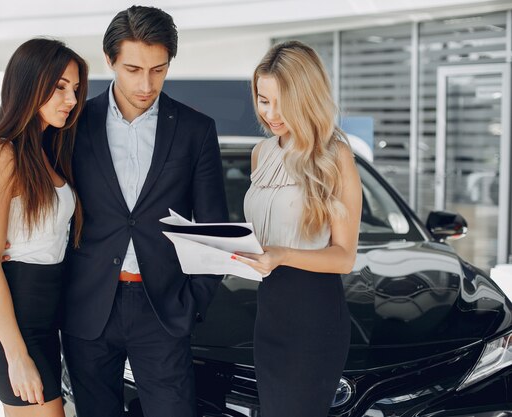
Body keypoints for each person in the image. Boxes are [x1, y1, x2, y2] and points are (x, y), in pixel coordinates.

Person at [60, 6, 229, 417]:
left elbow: (214, 228)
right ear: (109, 60)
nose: (146, 83)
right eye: (133, 69)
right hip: (88, 306)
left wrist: (194, 302)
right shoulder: (74, 123)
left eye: (158, 69)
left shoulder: (196, 129)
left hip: (164, 308)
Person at [235, 41, 361, 417]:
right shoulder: (261, 152)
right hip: (269, 313)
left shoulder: (334, 155)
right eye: (263, 100)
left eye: (281, 102)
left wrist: (281, 254)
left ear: (306, 98)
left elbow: (344, 258)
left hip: (313, 318)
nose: (271, 114)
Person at [0, 38, 87, 416]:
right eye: (59, 87)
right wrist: (16, 355)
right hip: (13, 327)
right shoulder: (0, 154)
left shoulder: (46, 151)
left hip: (46, 321)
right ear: (29, 84)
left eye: (75, 88)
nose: (71, 99)